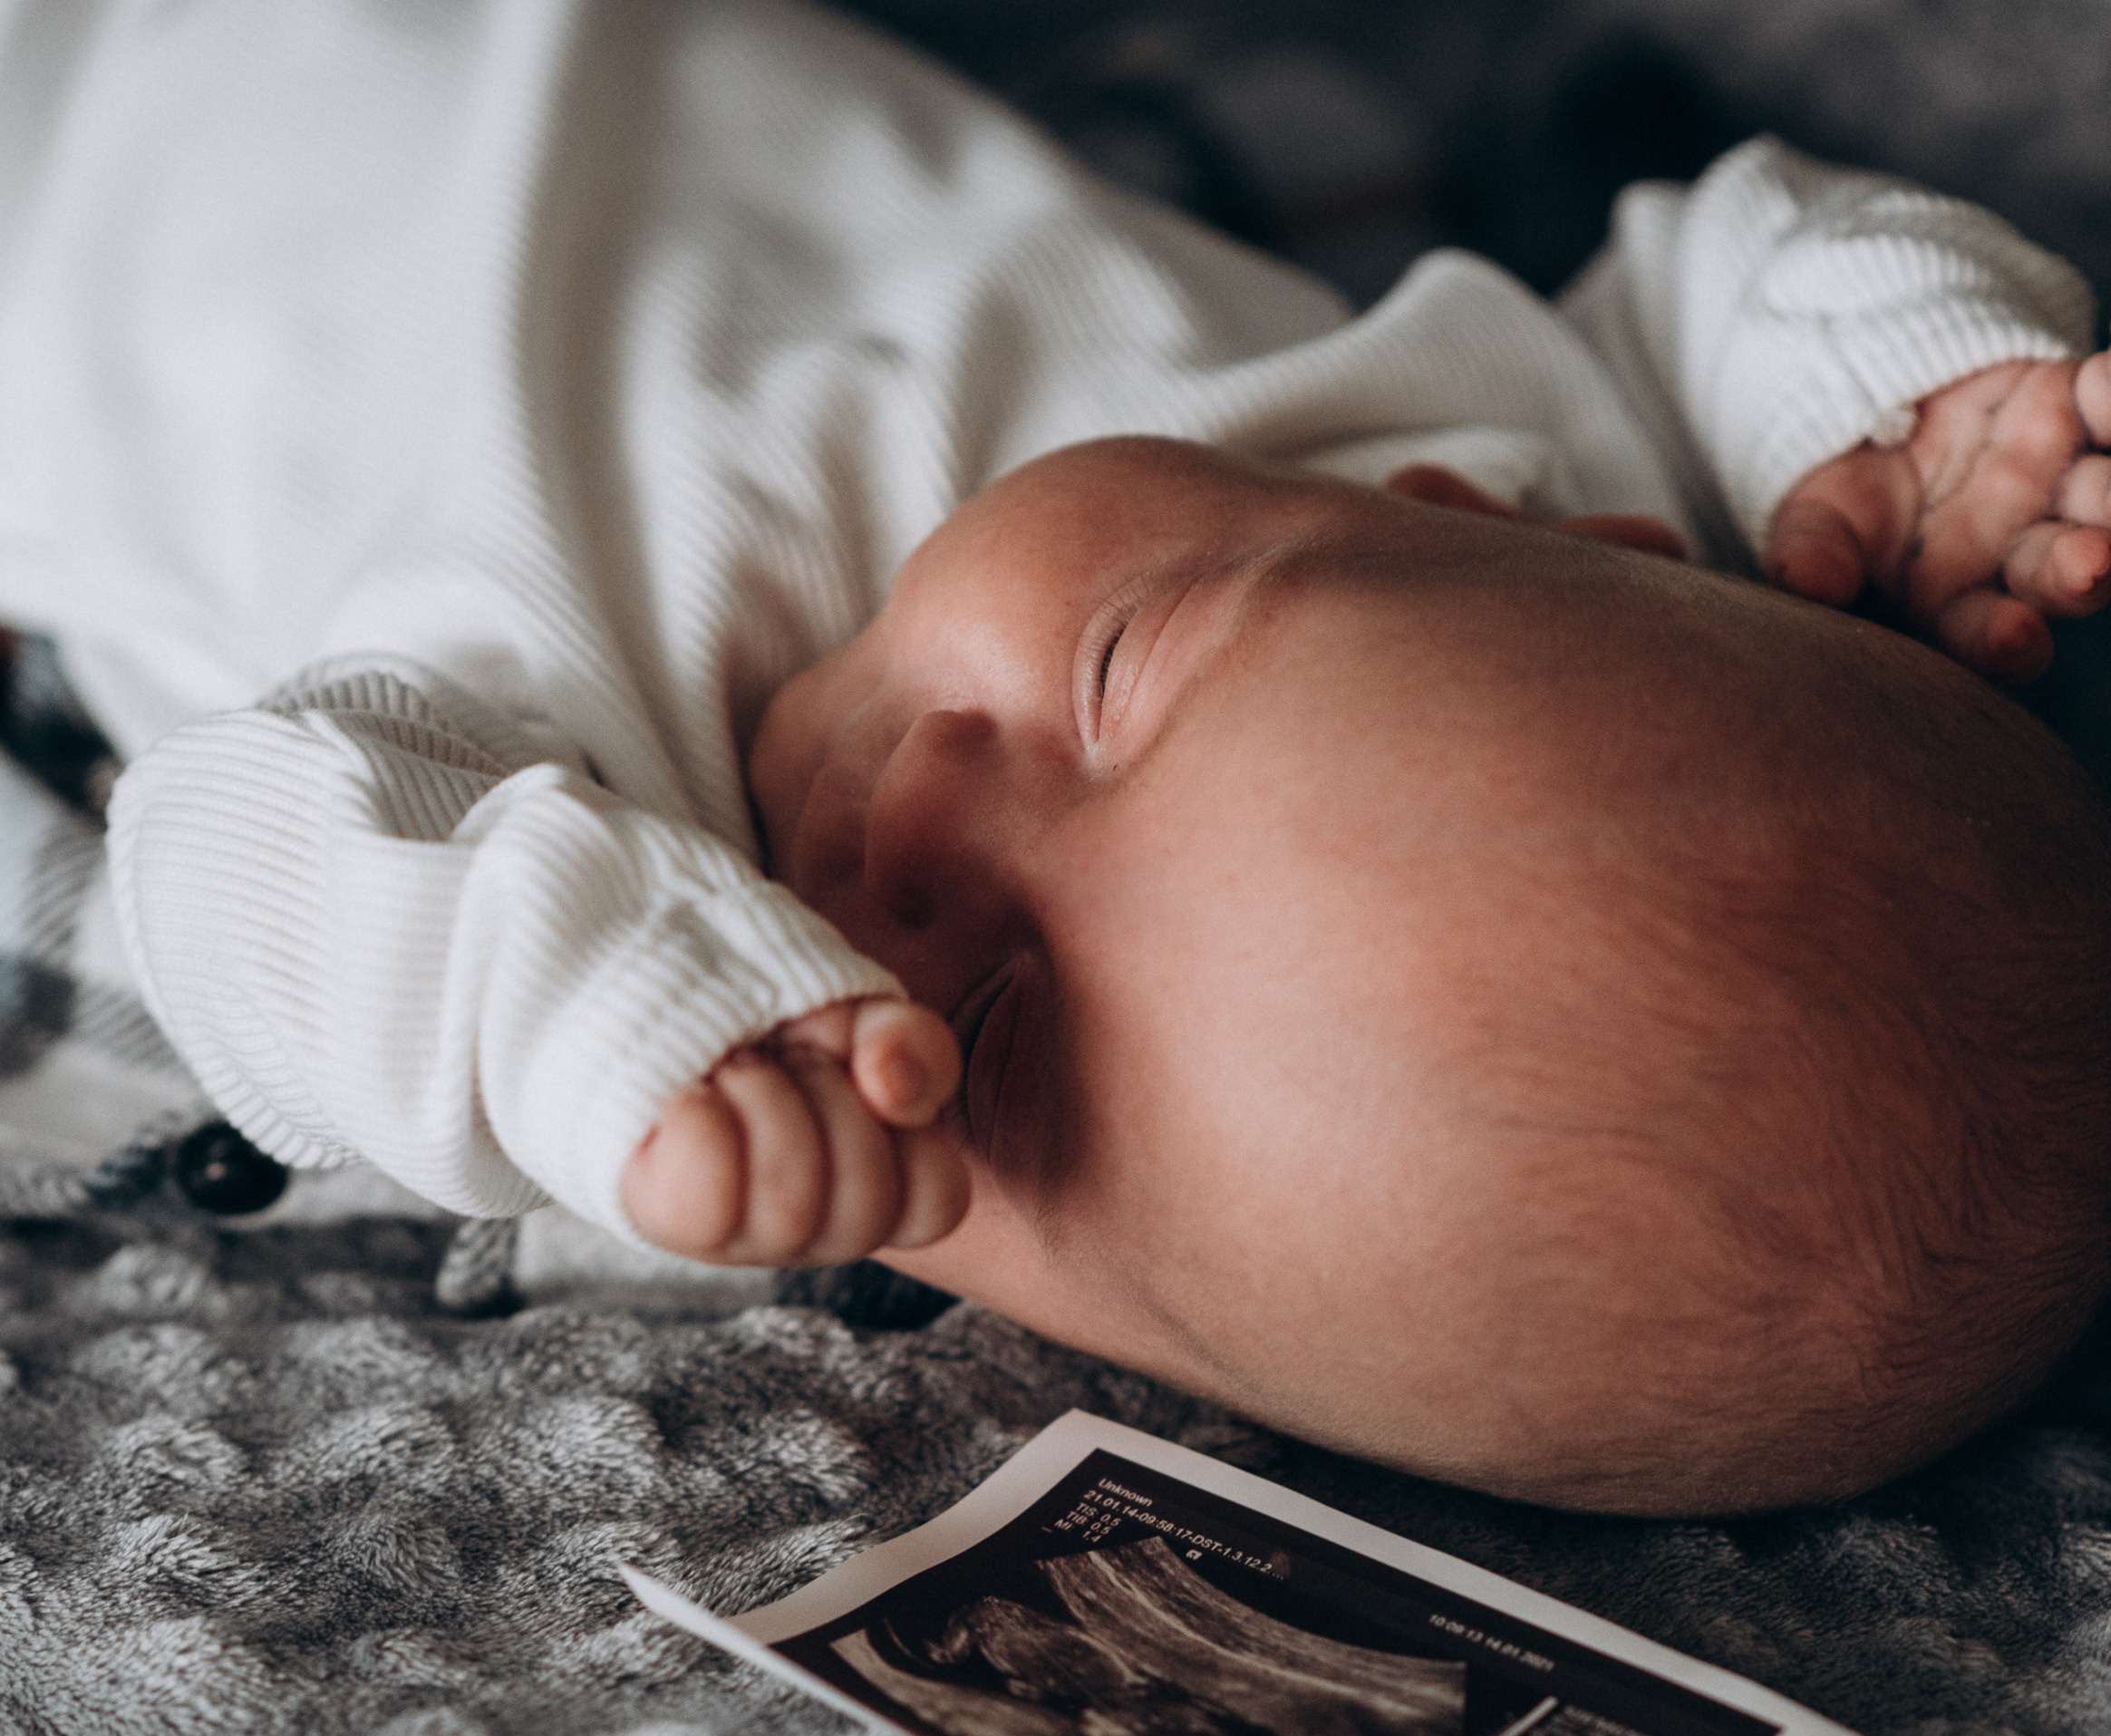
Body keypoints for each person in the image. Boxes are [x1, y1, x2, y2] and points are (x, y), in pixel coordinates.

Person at [4, 0, 2110, 1514]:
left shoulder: (642, 880)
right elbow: (1707, 273)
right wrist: (1887, 395)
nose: (919, 823)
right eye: (1114, 676)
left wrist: (555, 1014)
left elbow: (234, 851)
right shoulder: (1516, 476)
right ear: (1527, 519)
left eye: (1000, 1031)